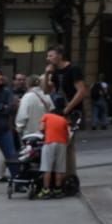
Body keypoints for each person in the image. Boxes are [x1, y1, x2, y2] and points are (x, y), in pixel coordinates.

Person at [46, 46, 87, 174]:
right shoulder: (55, 72)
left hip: (71, 112)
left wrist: (68, 109)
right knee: (61, 144)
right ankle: (62, 175)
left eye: (51, 55)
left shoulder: (73, 69)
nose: (48, 59)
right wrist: (47, 74)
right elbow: (46, 90)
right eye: (48, 56)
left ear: (60, 55)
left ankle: (70, 175)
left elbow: (81, 91)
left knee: (68, 144)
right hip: (59, 112)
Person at [37, 105, 71, 198]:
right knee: (59, 168)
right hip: (62, 144)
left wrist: (45, 133)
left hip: (50, 142)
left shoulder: (47, 116)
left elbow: (41, 128)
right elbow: (68, 135)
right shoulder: (64, 120)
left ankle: (46, 190)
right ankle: (58, 189)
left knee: (47, 168)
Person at [15, 74, 50, 139]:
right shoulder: (47, 96)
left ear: (27, 84)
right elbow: (52, 111)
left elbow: (22, 116)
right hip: (46, 132)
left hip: (30, 134)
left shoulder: (27, 97)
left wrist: (19, 128)